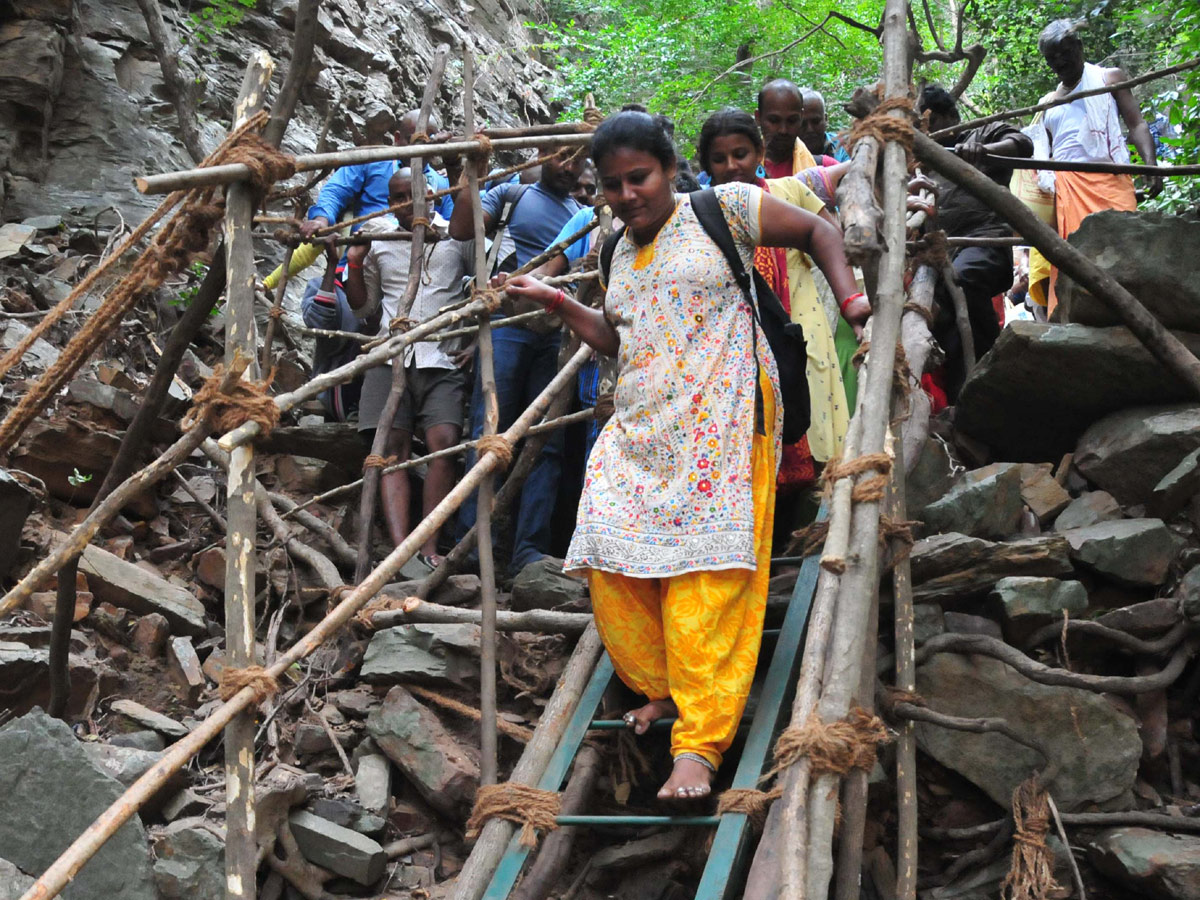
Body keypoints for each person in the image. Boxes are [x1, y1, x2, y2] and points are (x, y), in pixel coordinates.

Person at [496, 111, 859, 799]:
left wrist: (853, 298)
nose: (629, 193)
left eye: (641, 177)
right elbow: (618, 337)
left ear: (668, 169)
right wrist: (552, 298)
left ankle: (700, 744)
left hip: (725, 422)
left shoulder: (725, 209)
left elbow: (817, 229)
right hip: (643, 429)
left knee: (707, 578)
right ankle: (662, 688)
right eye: (613, 184)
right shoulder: (612, 250)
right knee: (608, 556)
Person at [697, 108, 864, 490]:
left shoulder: (790, 192)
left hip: (801, 334)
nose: (731, 166)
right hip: (735, 347)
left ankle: (815, 532)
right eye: (719, 159)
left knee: (813, 429)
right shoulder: (699, 211)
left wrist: (850, 298)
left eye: (740, 154)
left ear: (758, 152)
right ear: (706, 163)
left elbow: (831, 238)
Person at [448, 147, 586, 573]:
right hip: (508, 325)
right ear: (541, 154)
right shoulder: (512, 194)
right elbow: (461, 229)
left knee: (545, 444)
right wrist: (473, 174)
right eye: (562, 157)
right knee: (490, 431)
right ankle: (472, 547)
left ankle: (528, 551)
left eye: (579, 161)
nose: (569, 166)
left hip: (556, 333)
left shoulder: (582, 213)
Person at [343, 170, 474, 568]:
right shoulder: (380, 237)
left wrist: (470, 343)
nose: (406, 204)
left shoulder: (458, 236)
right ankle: (402, 548)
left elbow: (481, 292)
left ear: (433, 196)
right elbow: (364, 309)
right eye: (397, 196)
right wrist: (353, 260)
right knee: (390, 450)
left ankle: (428, 545)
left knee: (444, 443)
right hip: (391, 355)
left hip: (442, 355)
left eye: (414, 195)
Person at [1036, 19, 1161, 313]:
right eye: (1051, 57)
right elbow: (1044, 153)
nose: (1060, 61)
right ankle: (1074, 318)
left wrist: (1150, 166)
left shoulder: (1108, 78)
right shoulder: (1047, 103)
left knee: (1125, 252)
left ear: (1079, 47)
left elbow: (1137, 123)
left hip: (1111, 182)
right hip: (1068, 190)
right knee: (1074, 260)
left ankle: (1134, 317)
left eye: (1064, 51)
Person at [918, 85, 1033, 396]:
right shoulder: (921, 157)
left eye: (925, 123)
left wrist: (987, 152)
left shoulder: (982, 133)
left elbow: (1023, 144)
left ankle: (990, 369)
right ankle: (961, 392)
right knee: (939, 314)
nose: (921, 132)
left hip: (985, 243)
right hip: (941, 256)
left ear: (943, 117)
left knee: (963, 279)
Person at [300, 240, 377, 422]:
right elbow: (319, 323)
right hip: (339, 385)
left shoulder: (389, 288)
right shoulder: (321, 285)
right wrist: (332, 266)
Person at [755, 79, 820, 179]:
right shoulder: (742, 169)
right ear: (758, 117)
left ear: (801, 117)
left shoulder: (822, 168)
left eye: (792, 121)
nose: (783, 130)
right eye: (774, 120)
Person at [799, 89, 851, 163]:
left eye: (816, 122)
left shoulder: (843, 146)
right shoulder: (785, 150)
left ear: (825, 120)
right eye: (802, 123)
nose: (809, 129)